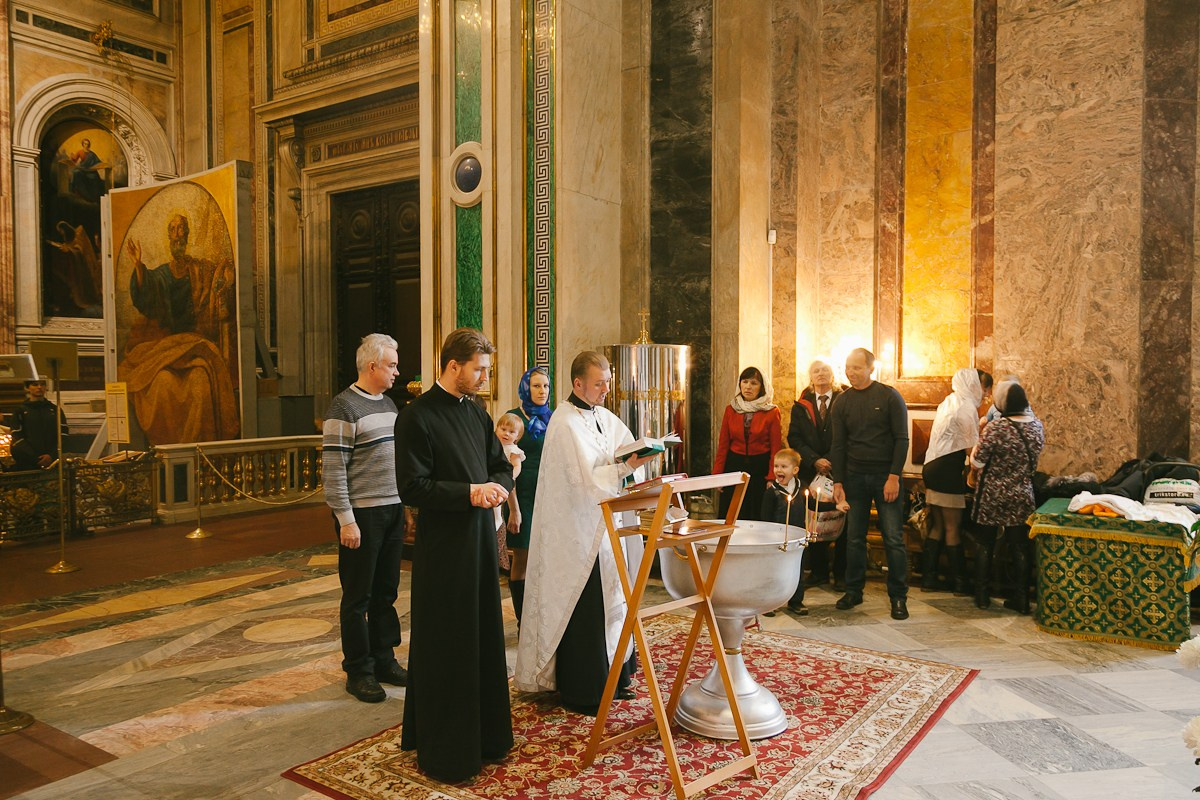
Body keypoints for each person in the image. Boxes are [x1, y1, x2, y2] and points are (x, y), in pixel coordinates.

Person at [396, 327, 514, 783]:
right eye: (479, 369)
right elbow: (413, 486)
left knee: (482, 635)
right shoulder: (416, 417)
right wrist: (470, 492)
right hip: (444, 549)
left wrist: (500, 486)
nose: (485, 377)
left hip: (480, 543)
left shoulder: (478, 412)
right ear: (453, 366)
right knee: (449, 643)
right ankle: (448, 751)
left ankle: (488, 737)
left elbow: (497, 463)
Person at [515, 350, 659, 716]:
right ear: (578, 383)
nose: (606, 389)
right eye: (599, 383)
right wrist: (625, 466)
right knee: (586, 606)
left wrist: (636, 459)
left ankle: (615, 677)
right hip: (577, 534)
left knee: (613, 601)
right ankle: (585, 689)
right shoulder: (564, 424)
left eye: (608, 382)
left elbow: (620, 452)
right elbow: (586, 481)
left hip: (605, 528)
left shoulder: (603, 417)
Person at [322, 334, 408, 704]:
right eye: (391, 365)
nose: (396, 371)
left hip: (392, 509)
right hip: (362, 514)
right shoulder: (343, 408)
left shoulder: (389, 403)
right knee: (358, 595)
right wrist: (346, 519)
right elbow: (333, 469)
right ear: (372, 366)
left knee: (386, 591)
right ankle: (359, 670)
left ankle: (384, 658)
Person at [120, 213, 239, 444]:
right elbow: (147, 295)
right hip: (166, 348)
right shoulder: (162, 275)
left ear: (187, 234)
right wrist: (138, 266)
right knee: (161, 383)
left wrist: (226, 277)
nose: (177, 234)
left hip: (194, 348)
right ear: (168, 236)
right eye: (173, 229)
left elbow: (219, 282)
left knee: (200, 381)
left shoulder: (200, 270)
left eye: (181, 229)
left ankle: (199, 452)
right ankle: (168, 451)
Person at [831, 348, 911, 620]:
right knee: (854, 538)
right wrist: (838, 481)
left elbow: (902, 439)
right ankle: (853, 590)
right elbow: (838, 445)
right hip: (854, 478)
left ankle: (898, 597)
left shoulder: (889, 396)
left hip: (884, 478)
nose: (850, 372)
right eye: (847, 367)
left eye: (856, 367)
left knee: (893, 538)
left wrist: (893, 477)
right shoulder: (842, 402)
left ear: (870, 368)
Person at [969, 383, 1044, 613]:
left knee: (984, 543)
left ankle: (982, 596)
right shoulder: (1037, 426)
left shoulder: (996, 428)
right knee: (1020, 546)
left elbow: (977, 462)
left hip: (992, 493)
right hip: (1022, 493)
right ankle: (1021, 599)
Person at [920, 368, 992, 595]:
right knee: (953, 526)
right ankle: (960, 582)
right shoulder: (967, 406)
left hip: (932, 467)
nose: (986, 393)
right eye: (984, 387)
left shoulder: (949, 401)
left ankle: (929, 578)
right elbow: (972, 451)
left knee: (939, 524)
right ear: (973, 384)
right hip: (946, 470)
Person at [788, 359, 846, 590]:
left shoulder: (845, 399)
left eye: (825, 370)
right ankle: (819, 571)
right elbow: (794, 438)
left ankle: (840, 574)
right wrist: (814, 460)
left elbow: (849, 433)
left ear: (833, 375)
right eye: (816, 371)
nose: (821, 374)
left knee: (841, 520)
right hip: (811, 472)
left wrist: (831, 459)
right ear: (810, 376)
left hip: (839, 468)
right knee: (814, 520)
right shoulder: (802, 404)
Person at [504, 367, 551, 627]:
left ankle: (541, 617)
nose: (541, 391)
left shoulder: (552, 418)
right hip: (521, 497)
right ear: (525, 388)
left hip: (547, 495)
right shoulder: (512, 418)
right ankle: (524, 620)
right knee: (523, 557)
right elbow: (505, 468)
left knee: (544, 558)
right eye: (536, 386)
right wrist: (514, 509)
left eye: (545, 386)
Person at [713, 366, 782, 520]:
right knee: (732, 512)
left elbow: (776, 448)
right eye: (745, 381)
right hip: (734, 465)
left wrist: (772, 477)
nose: (748, 387)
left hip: (760, 468)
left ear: (762, 387)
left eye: (754, 383)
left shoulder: (771, 412)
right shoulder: (731, 409)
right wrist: (717, 475)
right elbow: (723, 445)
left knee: (756, 512)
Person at [761, 448, 807, 616]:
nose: (778, 470)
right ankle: (770, 603)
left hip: (797, 537)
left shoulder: (801, 488)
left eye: (784, 467)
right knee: (775, 571)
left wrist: (835, 506)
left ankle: (796, 601)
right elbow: (765, 518)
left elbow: (812, 503)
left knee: (797, 569)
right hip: (776, 538)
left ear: (795, 470)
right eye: (776, 466)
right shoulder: (771, 492)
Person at [10, 379, 67, 471]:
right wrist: (35, 457)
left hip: (52, 461)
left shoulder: (55, 410)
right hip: (27, 461)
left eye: (42, 384)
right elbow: (17, 436)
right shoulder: (20, 411)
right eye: (35, 384)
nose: (39, 387)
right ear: (28, 388)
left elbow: (63, 435)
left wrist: (51, 455)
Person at [493, 412, 526, 571]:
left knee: (497, 514)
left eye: (511, 432)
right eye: (503, 429)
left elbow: (517, 466)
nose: (506, 434)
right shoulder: (492, 446)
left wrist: (509, 477)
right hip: (490, 485)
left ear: (517, 436)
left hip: (504, 484)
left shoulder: (513, 450)